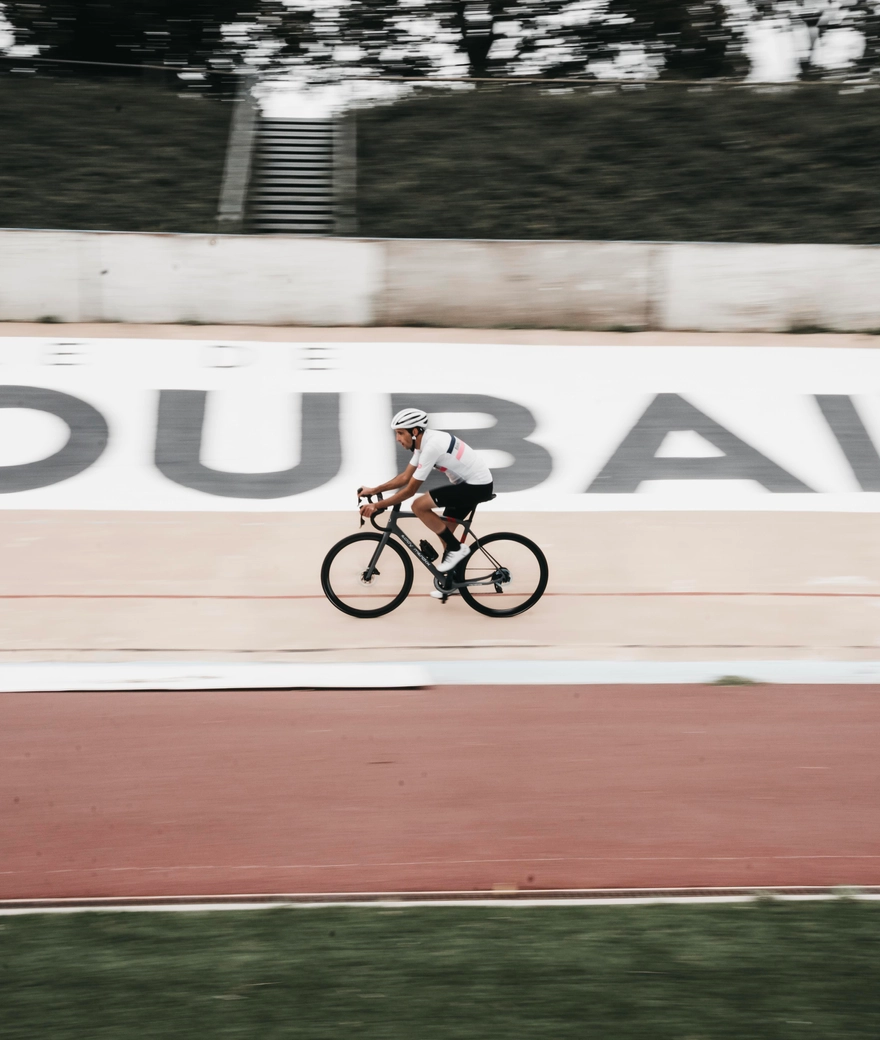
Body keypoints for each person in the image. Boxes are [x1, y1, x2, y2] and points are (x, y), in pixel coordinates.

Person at [359, 408, 494, 590]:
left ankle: (458, 549)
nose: (397, 438)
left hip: (476, 486)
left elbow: (410, 490)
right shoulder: (422, 443)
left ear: (415, 432)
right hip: (467, 485)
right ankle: (452, 583)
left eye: (400, 433)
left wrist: (377, 505)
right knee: (445, 536)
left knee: (419, 506)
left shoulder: (431, 446)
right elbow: (405, 477)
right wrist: (374, 490)